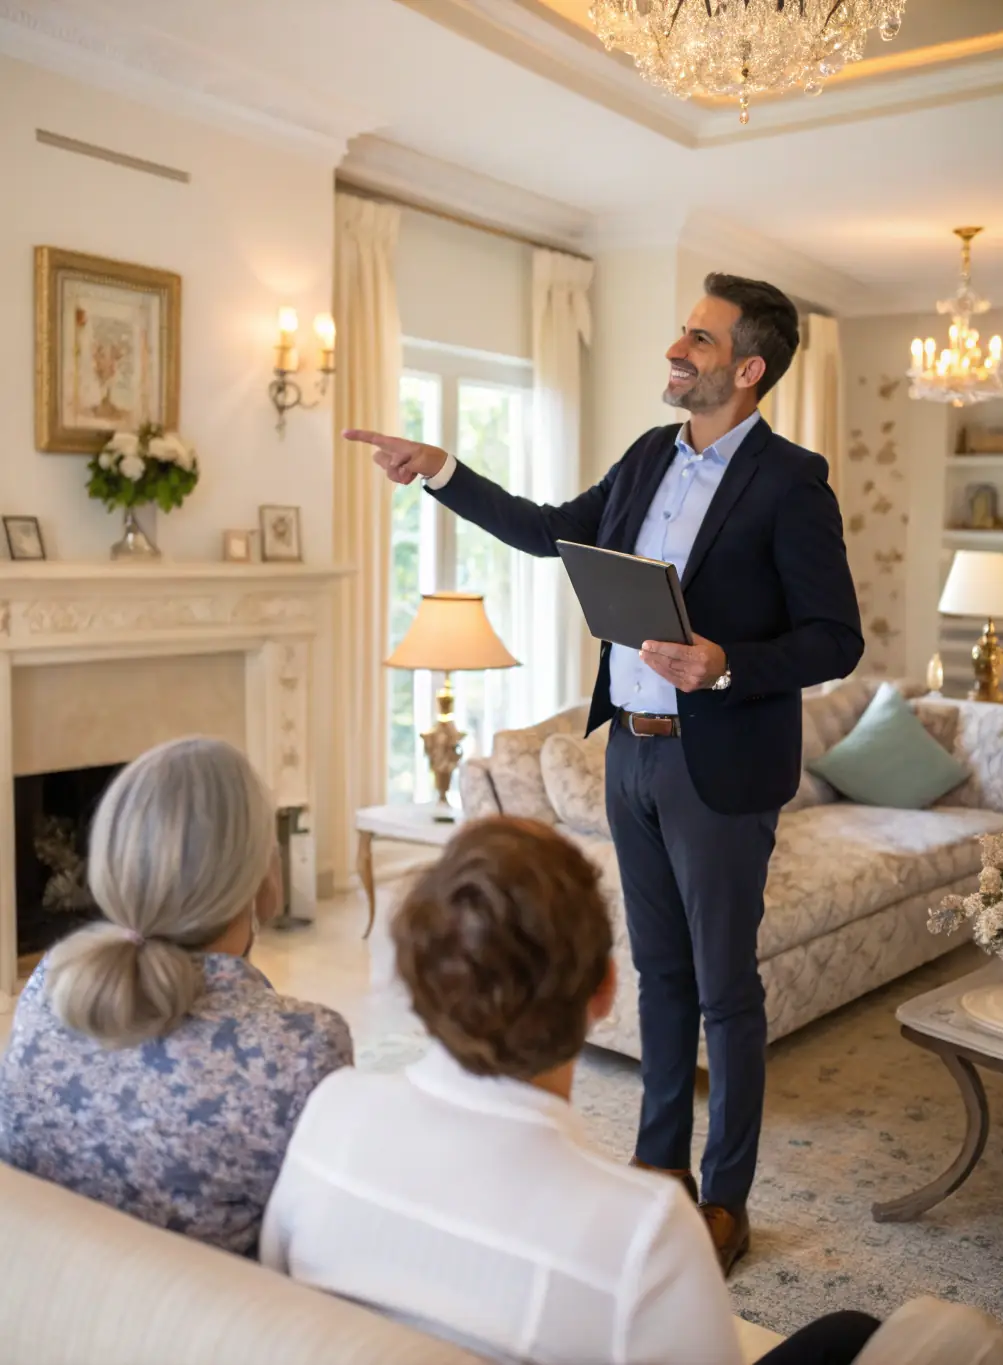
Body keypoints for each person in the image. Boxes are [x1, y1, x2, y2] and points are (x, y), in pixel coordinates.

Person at [345, 273, 864, 1274]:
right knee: (659, 976)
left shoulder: (792, 482)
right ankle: (656, 1172)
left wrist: (725, 663)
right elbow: (548, 530)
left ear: (747, 370)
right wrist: (440, 469)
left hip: (719, 766)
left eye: (698, 340)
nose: (676, 350)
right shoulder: (643, 458)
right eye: (680, 333)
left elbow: (834, 637)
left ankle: (724, 1198)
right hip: (628, 749)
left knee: (725, 990)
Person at [261, 817, 880, 1365]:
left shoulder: (330, 1114)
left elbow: (277, 1316)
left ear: (419, 976)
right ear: (606, 992)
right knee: (857, 1335)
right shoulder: (648, 1231)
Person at [0, 736, 352, 1257]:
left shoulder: (50, 983)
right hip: (200, 1331)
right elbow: (318, 1252)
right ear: (261, 874)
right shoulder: (302, 1045)